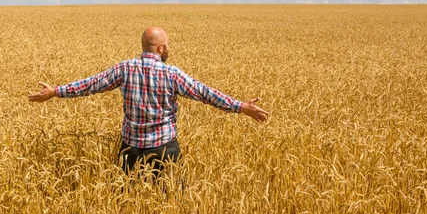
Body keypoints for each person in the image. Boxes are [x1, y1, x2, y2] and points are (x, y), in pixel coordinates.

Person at [28, 27, 269, 177]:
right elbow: (205, 93)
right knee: (172, 204)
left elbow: (90, 85)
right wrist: (241, 107)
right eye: (168, 45)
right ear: (161, 47)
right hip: (165, 149)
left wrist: (56, 91)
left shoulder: (125, 68)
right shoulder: (172, 73)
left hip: (130, 150)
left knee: (125, 204)